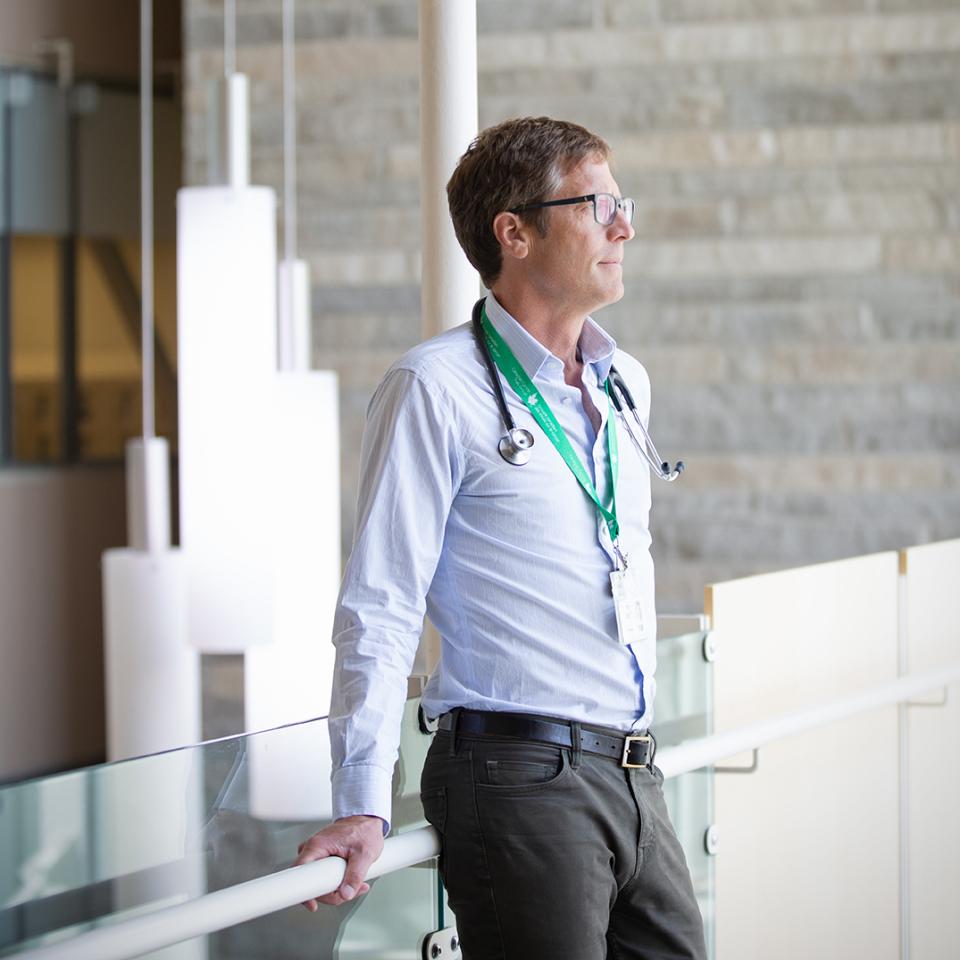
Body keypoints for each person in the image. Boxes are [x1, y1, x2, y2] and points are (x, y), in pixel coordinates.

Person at [295, 116, 707, 960]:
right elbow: (380, 601)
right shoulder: (434, 387)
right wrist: (363, 800)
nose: (624, 226)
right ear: (513, 233)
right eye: (598, 206)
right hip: (519, 776)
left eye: (621, 203)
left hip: (633, 768)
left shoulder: (623, 382)